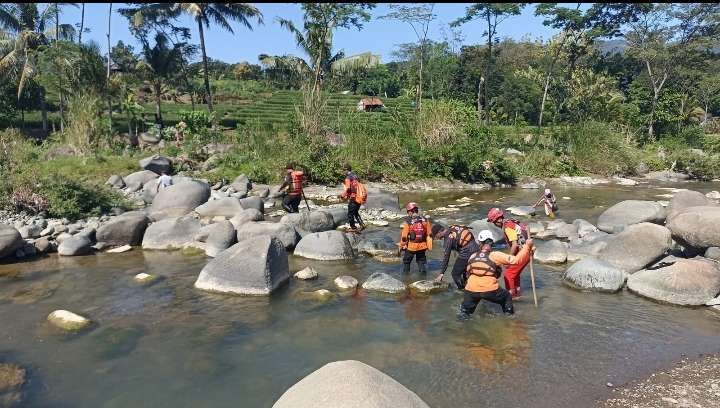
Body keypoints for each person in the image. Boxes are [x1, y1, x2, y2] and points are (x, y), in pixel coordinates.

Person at [458, 230, 535, 319]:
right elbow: (516, 261)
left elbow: (468, 273)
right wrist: (527, 246)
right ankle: (510, 319)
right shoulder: (495, 255)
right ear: (492, 242)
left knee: (464, 312)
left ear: (479, 242)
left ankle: (461, 325)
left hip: (470, 289)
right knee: (507, 297)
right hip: (489, 289)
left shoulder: (473, 256)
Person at [487, 208, 531, 298]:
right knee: (515, 274)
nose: (495, 224)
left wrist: (508, 259)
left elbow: (514, 245)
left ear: (499, 219)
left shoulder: (508, 227)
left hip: (524, 252)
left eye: (494, 222)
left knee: (508, 275)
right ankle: (517, 294)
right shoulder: (511, 222)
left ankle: (511, 296)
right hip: (527, 250)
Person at [432, 223, 479, 290]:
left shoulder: (448, 239)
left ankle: (462, 290)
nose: (436, 238)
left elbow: (446, 257)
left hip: (467, 252)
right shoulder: (452, 227)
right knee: (465, 271)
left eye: (436, 236)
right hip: (475, 248)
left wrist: (441, 274)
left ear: (439, 232)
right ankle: (470, 287)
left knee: (455, 274)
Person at [399, 202, 432, 274]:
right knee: (421, 262)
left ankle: (406, 278)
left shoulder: (408, 221)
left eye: (408, 212)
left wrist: (401, 246)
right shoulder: (425, 220)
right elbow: (429, 234)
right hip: (422, 246)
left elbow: (404, 237)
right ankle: (423, 278)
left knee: (406, 262)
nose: (408, 213)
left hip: (411, 247)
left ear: (410, 211)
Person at [340, 164, 366, 232]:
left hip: (354, 198)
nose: (343, 172)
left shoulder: (348, 178)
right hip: (360, 197)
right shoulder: (355, 175)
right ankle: (362, 224)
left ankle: (353, 228)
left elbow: (348, 188)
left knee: (350, 213)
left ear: (346, 170)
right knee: (355, 212)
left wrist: (342, 196)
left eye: (343, 170)